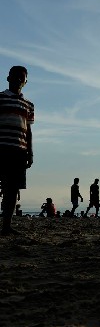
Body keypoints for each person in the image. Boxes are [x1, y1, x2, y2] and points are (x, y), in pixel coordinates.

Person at [0, 66, 34, 235]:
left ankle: (6, 226)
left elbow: (29, 130)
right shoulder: (1, 98)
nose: (18, 80)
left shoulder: (28, 105)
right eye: (15, 77)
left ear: (25, 82)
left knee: (12, 189)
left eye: (22, 78)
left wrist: (30, 152)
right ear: (8, 78)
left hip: (19, 150)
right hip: (2, 148)